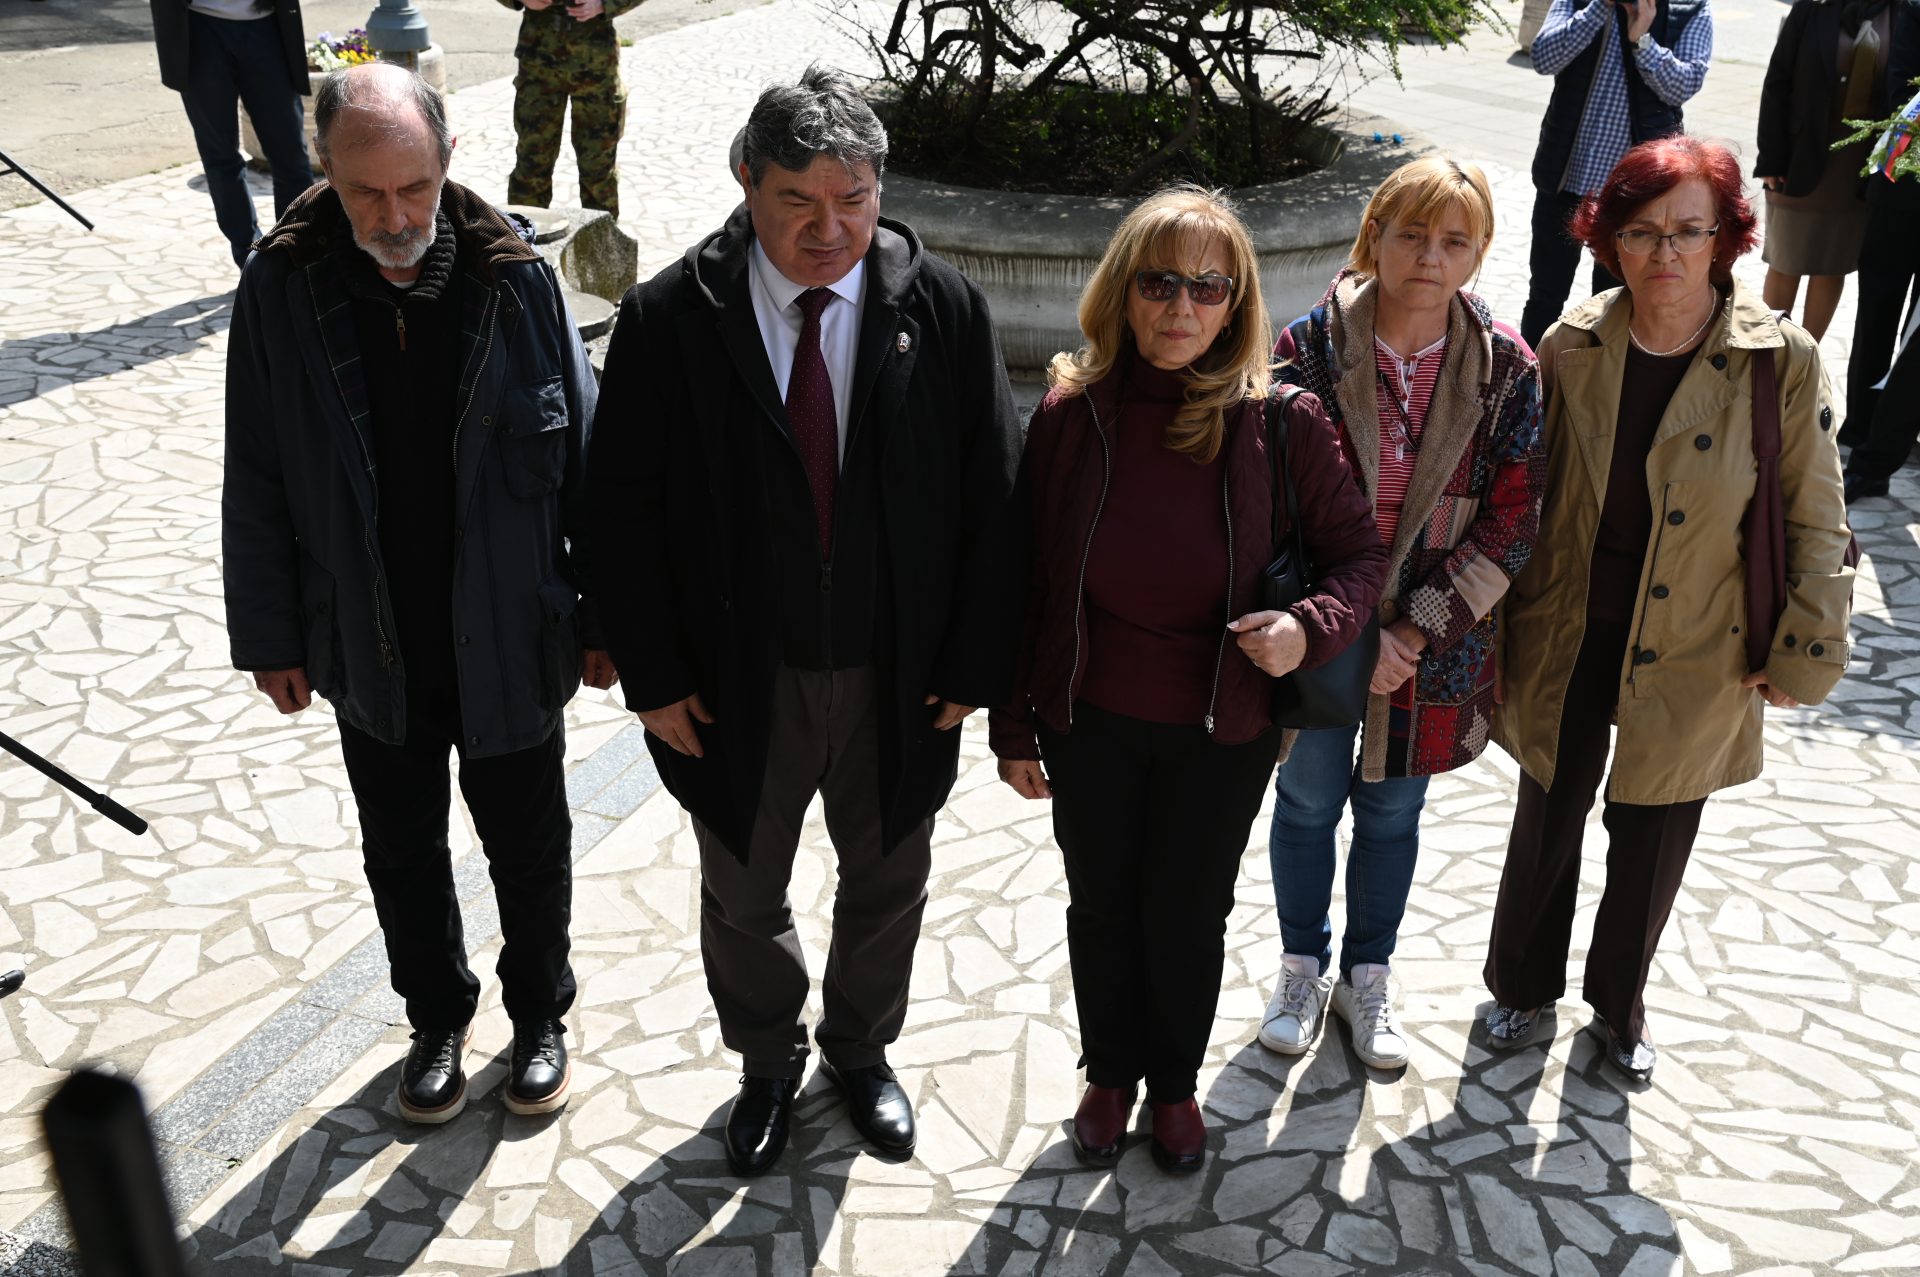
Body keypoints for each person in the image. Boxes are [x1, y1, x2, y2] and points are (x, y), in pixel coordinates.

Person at [588, 66, 1027, 1177]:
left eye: (855, 200)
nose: (830, 230)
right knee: (743, 887)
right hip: (739, 673)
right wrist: (653, 672)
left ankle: (861, 1050)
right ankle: (767, 1058)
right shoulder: (671, 317)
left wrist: (974, 658)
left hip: (899, 669)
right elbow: (619, 510)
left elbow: (995, 496)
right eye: (798, 201)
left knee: (889, 878)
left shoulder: (944, 309)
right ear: (746, 180)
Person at [222, 63, 614, 1125]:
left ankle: (539, 1014)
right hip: (368, 633)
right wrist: (269, 634)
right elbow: (255, 473)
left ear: (447, 162)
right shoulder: (282, 289)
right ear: (323, 170)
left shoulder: (516, 281)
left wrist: (605, 617)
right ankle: (436, 1015)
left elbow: (589, 461)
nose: (395, 218)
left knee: (529, 845)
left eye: (415, 188)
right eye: (366, 193)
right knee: (401, 850)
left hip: (511, 625)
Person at [990, 187, 1388, 1173]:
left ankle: (1171, 1082)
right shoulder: (1072, 416)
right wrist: (1014, 724)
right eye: (1160, 282)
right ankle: (1108, 1073)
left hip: (1223, 724)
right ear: (1123, 292)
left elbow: (1358, 557)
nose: (1181, 307)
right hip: (1091, 716)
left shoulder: (1281, 421)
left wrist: (1306, 627)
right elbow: (1025, 578)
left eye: (1208, 288)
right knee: (1102, 904)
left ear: (1235, 302)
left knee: (1187, 908)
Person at [1484, 136, 1854, 1084]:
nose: (1666, 254)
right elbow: (1521, 499)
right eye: (1642, 232)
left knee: (1654, 828)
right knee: (1548, 810)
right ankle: (1521, 984)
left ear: (1726, 237)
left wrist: (1808, 645)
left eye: (1689, 231)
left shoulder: (1781, 359)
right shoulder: (1570, 344)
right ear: (1609, 239)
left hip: (1700, 635)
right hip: (1570, 620)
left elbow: (1816, 514)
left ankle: (1620, 1008)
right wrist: (1491, 626)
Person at [1258, 158, 1545, 1071]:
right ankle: (1301, 965)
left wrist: (1414, 627)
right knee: (1306, 800)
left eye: (1454, 241)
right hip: (1322, 623)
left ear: (1479, 253)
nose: (1430, 257)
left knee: (1391, 813)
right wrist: (1343, 628)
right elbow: (1271, 495)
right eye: (1412, 234)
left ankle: (1367, 974)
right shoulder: (1306, 347)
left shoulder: (1506, 367)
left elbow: (1513, 518)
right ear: (1373, 235)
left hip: (1432, 642)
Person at [1520, 0, 1713, 349]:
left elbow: (1683, 85)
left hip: (1635, 197)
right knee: (1545, 295)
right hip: (1566, 178)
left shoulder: (1690, 7)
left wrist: (1642, 40)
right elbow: (1543, 57)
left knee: (1617, 305)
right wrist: (1597, 9)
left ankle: (1601, 381)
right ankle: (1526, 377)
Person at [1756, 1, 1898, 342]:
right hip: (1799, 158)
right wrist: (1771, 158)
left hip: (1857, 167)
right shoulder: (1813, 6)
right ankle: (1766, 355)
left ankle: (1806, 357)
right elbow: (1778, 80)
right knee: (1786, 261)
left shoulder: (1900, 12)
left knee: (1832, 266)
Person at [149, 0, 316, 267]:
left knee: (291, 156)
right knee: (221, 158)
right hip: (197, 27)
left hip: (266, 24)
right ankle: (250, 260)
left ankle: (297, 254)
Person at [1840, 4, 1920, 501]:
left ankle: (1887, 445)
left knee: (1918, 337)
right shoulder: (1915, 12)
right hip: (1901, 189)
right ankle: (1860, 426)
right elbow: (1903, 97)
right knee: (1877, 312)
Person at [497, 0, 640, 218]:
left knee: (598, 170)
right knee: (532, 165)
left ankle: (601, 238)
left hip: (595, 64)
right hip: (538, 62)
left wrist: (605, 4)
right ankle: (523, 237)